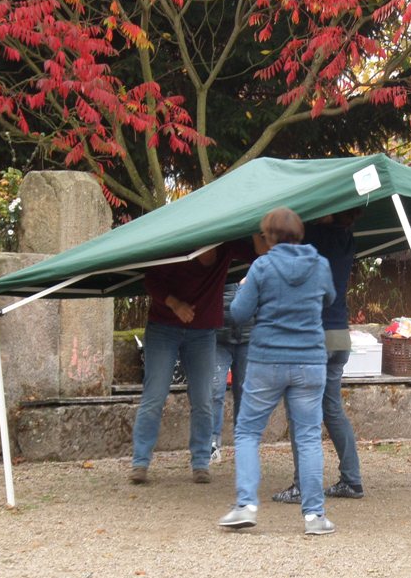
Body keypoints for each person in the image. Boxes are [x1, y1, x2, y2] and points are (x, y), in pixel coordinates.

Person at [218, 207, 337, 535]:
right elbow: (329, 298)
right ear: (300, 233)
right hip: (310, 361)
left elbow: (239, 313)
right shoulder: (319, 264)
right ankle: (314, 517)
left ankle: (246, 505)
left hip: (267, 361)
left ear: (268, 236)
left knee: (248, 432)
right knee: (309, 436)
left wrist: (244, 286)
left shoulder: (262, 266)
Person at [129, 240, 256, 484]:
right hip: (164, 328)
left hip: (203, 332)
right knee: (154, 396)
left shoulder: (226, 247)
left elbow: (258, 248)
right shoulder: (179, 245)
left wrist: (284, 233)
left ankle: (200, 462)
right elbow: (151, 280)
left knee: (203, 398)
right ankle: (140, 462)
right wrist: (175, 304)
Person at [272, 208, 365, 504]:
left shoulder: (316, 237)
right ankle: (351, 480)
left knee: (301, 412)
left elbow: (284, 241)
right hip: (340, 335)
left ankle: (301, 485)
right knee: (332, 409)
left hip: (315, 337)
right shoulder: (347, 239)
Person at [209, 280, 253, 464]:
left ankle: (244, 446)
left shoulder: (254, 266)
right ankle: (211, 445)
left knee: (244, 393)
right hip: (219, 337)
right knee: (214, 390)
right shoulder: (221, 263)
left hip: (248, 338)